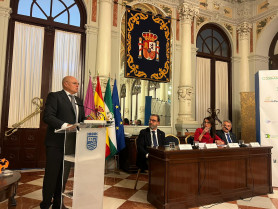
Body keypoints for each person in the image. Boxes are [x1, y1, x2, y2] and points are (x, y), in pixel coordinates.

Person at [40, 76, 85, 209]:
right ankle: (46, 204)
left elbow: (80, 120)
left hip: (71, 144)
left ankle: (58, 204)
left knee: (63, 176)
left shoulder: (79, 101)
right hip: (55, 143)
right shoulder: (55, 96)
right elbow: (48, 116)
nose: (78, 85)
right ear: (65, 84)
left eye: (78, 83)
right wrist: (66, 125)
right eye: (74, 83)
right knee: (52, 175)